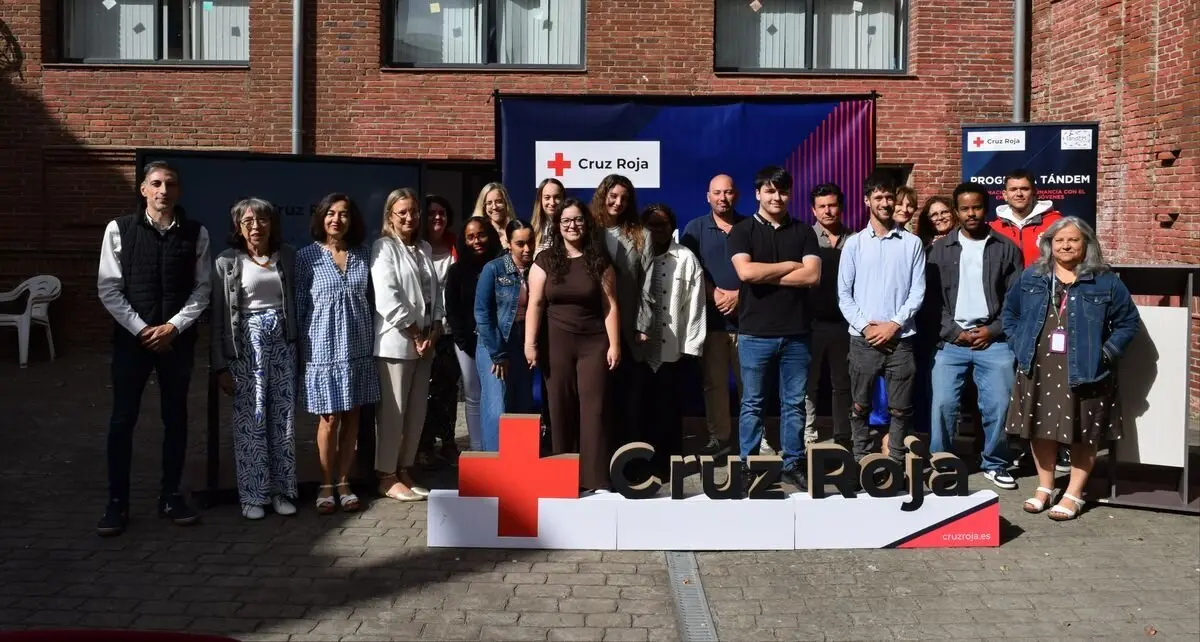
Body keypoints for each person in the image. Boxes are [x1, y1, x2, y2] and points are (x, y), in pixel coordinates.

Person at [96, 161, 211, 536]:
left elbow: (203, 288)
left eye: (171, 184)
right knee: (122, 420)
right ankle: (117, 502)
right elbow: (109, 287)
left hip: (176, 342)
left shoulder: (196, 233)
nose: (164, 190)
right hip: (133, 343)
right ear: (143, 189)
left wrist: (174, 327)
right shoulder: (120, 230)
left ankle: (170, 495)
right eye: (156, 183)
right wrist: (143, 329)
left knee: (175, 419)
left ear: (178, 191)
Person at [1003, 217, 1140, 520]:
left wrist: (1106, 354)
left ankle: (1074, 493)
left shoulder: (1105, 281)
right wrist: (1017, 342)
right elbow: (1010, 313)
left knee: (1084, 431)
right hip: (1037, 367)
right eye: (1059, 240)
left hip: (1086, 369)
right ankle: (1045, 486)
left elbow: (1128, 323)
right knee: (1039, 428)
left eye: (1073, 240)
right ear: (1049, 245)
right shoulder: (1032, 277)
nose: (1065, 245)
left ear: (1086, 244)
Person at [727, 166, 822, 491]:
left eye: (782, 191)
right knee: (753, 402)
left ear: (789, 193)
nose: (776, 197)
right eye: (770, 191)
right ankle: (747, 465)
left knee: (793, 403)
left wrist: (764, 272)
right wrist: (787, 266)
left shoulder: (804, 232)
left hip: (796, 333)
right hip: (755, 333)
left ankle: (793, 463)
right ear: (757, 194)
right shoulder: (742, 231)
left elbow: (811, 277)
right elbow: (745, 273)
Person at [926, 183, 1024, 490]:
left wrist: (993, 330)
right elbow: (930, 303)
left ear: (986, 208)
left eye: (977, 207)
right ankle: (941, 462)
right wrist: (955, 333)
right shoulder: (938, 251)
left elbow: (1016, 300)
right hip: (951, 342)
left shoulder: (1006, 248)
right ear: (956, 212)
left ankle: (995, 462)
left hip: (993, 341)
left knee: (999, 404)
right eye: (965, 208)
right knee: (942, 404)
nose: (971, 213)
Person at [211, 198, 300, 520]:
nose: (256, 227)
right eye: (248, 221)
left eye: (262, 220)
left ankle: (281, 491)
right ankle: (252, 496)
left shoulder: (286, 256)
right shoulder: (226, 262)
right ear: (238, 227)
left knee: (283, 421)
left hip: (282, 346)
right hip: (247, 348)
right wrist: (220, 365)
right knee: (252, 422)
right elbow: (219, 319)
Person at [525, 198, 621, 494]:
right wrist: (530, 343)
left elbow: (610, 306)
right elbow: (535, 303)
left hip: (594, 343)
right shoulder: (545, 260)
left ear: (586, 224)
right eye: (566, 220)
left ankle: (595, 479)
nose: (572, 225)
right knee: (560, 407)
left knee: (595, 409)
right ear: (557, 225)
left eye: (578, 220)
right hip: (556, 342)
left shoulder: (600, 261)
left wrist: (614, 345)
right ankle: (561, 477)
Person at [297, 193, 379, 513]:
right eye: (330, 213)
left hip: (358, 345)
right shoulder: (306, 257)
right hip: (323, 349)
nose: (336, 220)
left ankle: (345, 481)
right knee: (329, 420)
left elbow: (370, 302)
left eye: (343, 214)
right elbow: (301, 307)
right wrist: (303, 353)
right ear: (321, 218)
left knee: (353, 417)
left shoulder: (363, 254)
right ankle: (326, 483)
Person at [837, 172, 926, 466]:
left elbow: (917, 291)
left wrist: (894, 324)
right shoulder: (854, 244)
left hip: (901, 339)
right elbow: (844, 295)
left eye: (889, 197)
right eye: (879, 197)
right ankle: (862, 458)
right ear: (867, 201)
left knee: (901, 408)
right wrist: (866, 327)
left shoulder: (911, 244)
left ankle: (897, 460)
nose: (885, 203)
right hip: (863, 340)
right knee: (860, 405)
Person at [369, 188, 442, 502]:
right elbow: (388, 297)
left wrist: (435, 329)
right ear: (391, 217)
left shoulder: (424, 247)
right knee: (393, 412)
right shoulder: (384, 248)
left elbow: (434, 293)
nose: (410, 217)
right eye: (403, 212)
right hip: (397, 342)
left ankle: (404, 468)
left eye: (414, 211)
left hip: (426, 341)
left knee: (416, 412)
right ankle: (386, 475)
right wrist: (415, 333)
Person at [635, 204, 706, 479]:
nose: (656, 230)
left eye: (662, 224)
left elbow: (695, 306)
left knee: (668, 413)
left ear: (671, 227)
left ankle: (667, 468)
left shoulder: (685, 258)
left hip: (671, 351)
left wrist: (691, 347)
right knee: (640, 411)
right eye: (650, 224)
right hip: (638, 351)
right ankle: (639, 464)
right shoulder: (635, 255)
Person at [680, 174, 746, 455]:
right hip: (712, 323)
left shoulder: (750, 227)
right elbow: (688, 269)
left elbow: (762, 268)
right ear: (708, 196)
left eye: (728, 192)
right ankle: (719, 437)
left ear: (736, 195)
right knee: (715, 386)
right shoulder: (695, 229)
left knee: (752, 388)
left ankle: (753, 439)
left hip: (748, 324)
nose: (723, 198)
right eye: (717, 193)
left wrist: (739, 295)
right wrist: (715, 294)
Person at [590, 174, 653, 451]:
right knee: (597, 401)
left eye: (624, 198)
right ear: (603, 195)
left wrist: (643, 324)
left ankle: (630, 459)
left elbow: (648, 284)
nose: (618, 202)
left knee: (630, 401)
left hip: (628, 330)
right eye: (613, 196)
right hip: (591, 329)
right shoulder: (588, 230)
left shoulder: (641, 235)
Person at [476, 219, 539, 449]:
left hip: (524, 340)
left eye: (530, 242)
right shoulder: (493, 269)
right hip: (496, 340)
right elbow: (482, 313)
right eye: (520, 243)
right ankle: (494, 466)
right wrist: (497, 353)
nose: (527, 249)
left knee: (522, 403)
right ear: (509, 244)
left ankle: (520, 465)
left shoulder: (538, 268)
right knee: (497, 405)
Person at [443, 215, 503, 450]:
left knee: (496, 395)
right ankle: (477, 448)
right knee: (473, 394)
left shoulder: (503, 265)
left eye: (481, 234)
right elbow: (453, 310)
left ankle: (498, 447)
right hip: (467, 342)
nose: (477, 240)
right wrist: (464, 342)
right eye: (471, 237)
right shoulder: (457, 272)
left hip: (497, 342)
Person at [803, 183, 853, 448]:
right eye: (822, 206)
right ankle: (808, 430)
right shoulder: (804, 238)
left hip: (845, 324)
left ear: (841, 207)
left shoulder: (855, 239)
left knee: (842, 382)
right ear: (813, 209)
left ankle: (842, 431)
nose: (828, 211)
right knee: (808, 383)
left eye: (832, 205)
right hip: (810, 324)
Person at [418, 195, 467, 465]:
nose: (438, 218)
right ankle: (423, 444)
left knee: (448, 388)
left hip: (450, 329)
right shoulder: (417, 248)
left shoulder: (455, 245)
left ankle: (448, 441)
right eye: (432, 213)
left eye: (442, 213)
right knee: (424, 390)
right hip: (423, 329)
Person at [473, 182, 516, 249]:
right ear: (484, 207)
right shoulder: (478, 234)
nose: (494, 207)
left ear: (506, 203)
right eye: (489, 203)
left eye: (499, 202)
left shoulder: (516, 231)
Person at [531, 178, 565, 256]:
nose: (552, 202)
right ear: (540, 200)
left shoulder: (569, 228)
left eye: (557, 197)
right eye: (547, 198)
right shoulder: (532, 230)